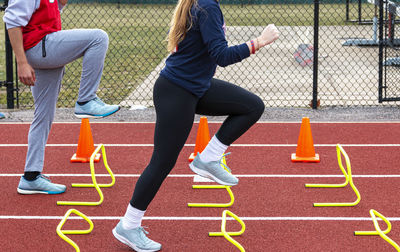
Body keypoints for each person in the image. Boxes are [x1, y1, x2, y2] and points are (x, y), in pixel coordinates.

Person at [112, 0, 279, 250]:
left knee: (252, 106)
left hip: (195, 86)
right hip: (177, 91)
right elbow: (221, 56)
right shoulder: (207, 6)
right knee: (162, 163)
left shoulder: (203, 4)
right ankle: (128, 225)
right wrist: (259, 41)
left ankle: (209, 158)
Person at [3, 0, 120, 195]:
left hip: (44, 45)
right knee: (98, 37)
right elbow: (12, 21)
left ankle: (30, 177)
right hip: (37, 46)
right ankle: (86, 100)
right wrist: (21, 62)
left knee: (43, 115)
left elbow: (52, 12)